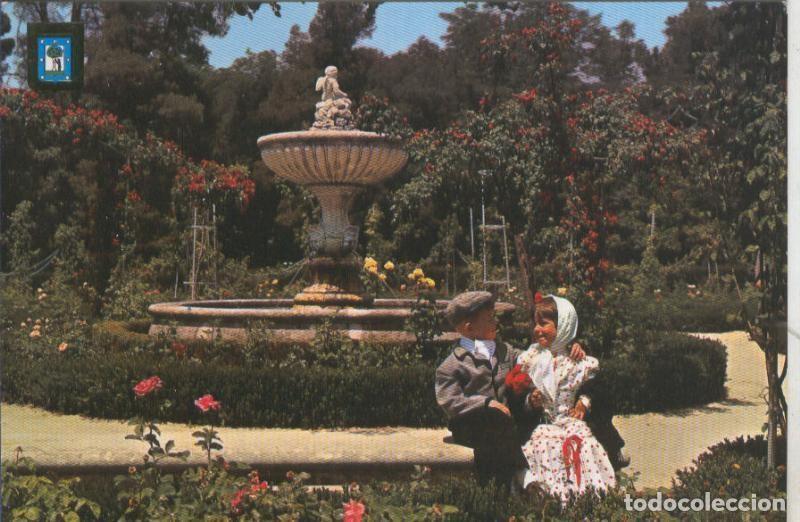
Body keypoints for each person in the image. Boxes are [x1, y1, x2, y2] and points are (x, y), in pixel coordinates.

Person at [434, 291, 586, 489]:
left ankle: (524, 489)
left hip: (506, 424)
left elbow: (537, 356)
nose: (495, 323)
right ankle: (523, 477)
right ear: (469, 328)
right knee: (495, 426)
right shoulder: (451, 365)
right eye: (489, 319)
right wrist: (487, 403)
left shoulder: (505, 351)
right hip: (471, 424)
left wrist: (568, 346)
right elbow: (450, 401)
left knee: (520, 424)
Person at [518, 295, 617, 503]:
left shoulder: (578, 360)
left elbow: (600, 388)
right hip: (542, 422)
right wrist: (530, 401)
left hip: (569, 419)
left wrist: (584, 402)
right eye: (535, 324)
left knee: (581, 441)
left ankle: (585, 498)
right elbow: (515, 393)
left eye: (543, 324)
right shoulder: (530, 357)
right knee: (544, 442)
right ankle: (549, 499)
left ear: (563, 326)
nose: (537, 329)